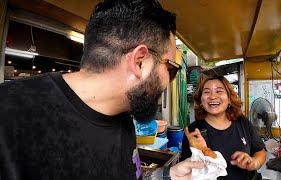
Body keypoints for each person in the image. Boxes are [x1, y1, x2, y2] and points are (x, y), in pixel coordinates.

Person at [0, 0, 203, 179]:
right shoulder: (9, 114)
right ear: (140, 62)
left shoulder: (123, 116)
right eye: (171, 69)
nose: (169, 81)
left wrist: (167, 175)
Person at [181, 75, 267, 180]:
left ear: (229, 99)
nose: (212, 96)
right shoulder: (193, 131)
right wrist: (199, 153)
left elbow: (260, 151)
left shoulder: (242, 123)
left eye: (219, 91)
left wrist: (254, 163)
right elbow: (187, 172)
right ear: (201, 101)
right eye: (207, 92)